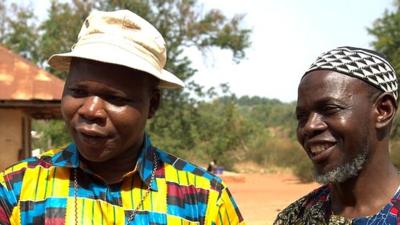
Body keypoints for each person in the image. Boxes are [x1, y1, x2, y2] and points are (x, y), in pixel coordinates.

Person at [0, 10, 244, 225]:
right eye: (78, 91)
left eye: (114, 98)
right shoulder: (15, 191)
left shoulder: (204, 200)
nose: (90, 110)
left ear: (152, 105)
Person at [274, 46, 400, 224]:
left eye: (329, 109)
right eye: (301, 116)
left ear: (383, 110)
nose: (309, 126)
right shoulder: (295, 218)